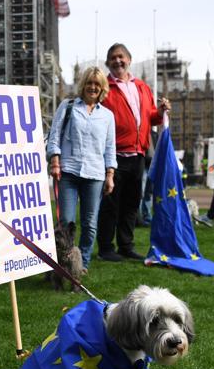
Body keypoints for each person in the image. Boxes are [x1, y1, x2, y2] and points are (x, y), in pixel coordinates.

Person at [96, 43, 167, 261]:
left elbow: (150, 117)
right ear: (108, 63)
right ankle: (106, 247)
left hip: (138, 154)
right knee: (110, 204)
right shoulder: (104, 86)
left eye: (121, 57)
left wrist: (160, 112)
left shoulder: (142, 87)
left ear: (129, 59)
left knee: (131, 204)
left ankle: (126, 245)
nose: (117, 61)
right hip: (113, 155)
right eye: (113, 58)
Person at [46, 67, 116, 270]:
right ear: (83, 85)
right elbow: (54, 135)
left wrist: (110, 175)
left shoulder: (107, 116)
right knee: (66, 222)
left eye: (97, 84)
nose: (92, 87)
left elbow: (110, 147)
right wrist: (55, 161)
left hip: (95, 174)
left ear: (102, 88)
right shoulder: (68, 106)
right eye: (89, 83)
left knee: (90, 224)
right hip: (68, 171)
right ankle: (63, 262)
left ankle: (81, 264)